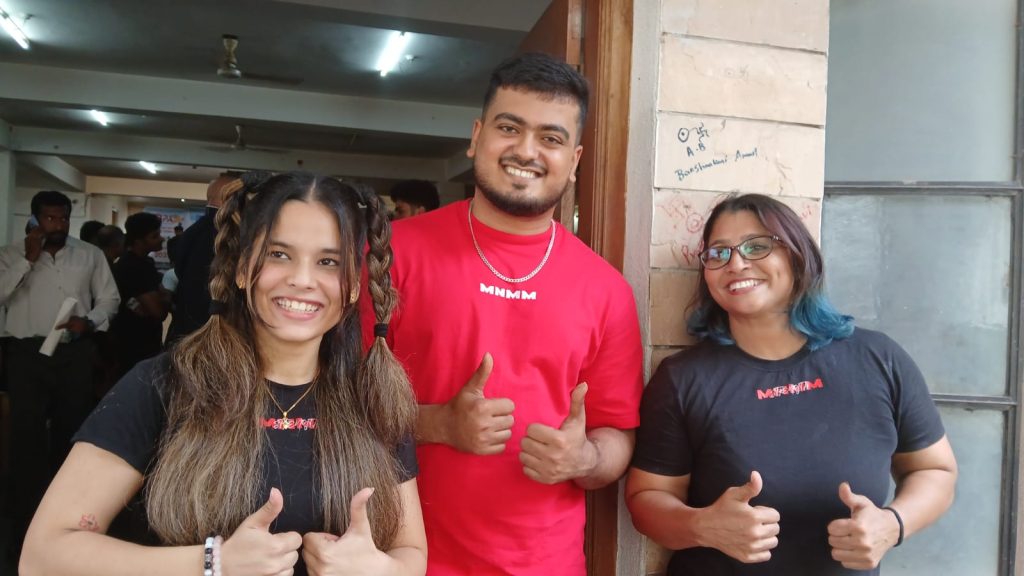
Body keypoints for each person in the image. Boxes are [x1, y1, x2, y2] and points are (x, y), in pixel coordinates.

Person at [20, 171, 427, 576]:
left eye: (328, 262)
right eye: (278, 254)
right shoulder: (166, 384)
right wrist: (213, 563)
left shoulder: (373, 394)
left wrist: (380, 570)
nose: (302, 280)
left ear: (352, 286)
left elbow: (410, 551)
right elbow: (42, 556)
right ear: (242, 268)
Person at [364, 52, 643, 575]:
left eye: (551, 138)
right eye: (509, 128)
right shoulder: (391, 255)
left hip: (546, 563)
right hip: (401, 560)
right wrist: (437, 424)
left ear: (575, 160)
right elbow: (333, 402)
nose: (526, 151)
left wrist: (583, 458)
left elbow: (616, 433)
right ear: (477, 136)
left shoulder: (607, 290)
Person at [625, 194, 958, 576]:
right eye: (719, 253)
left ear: (798, 256)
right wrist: (702, 526)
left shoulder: (878, 359)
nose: (736, 263)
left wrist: (893, 524)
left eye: (756, 246)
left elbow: (936, 470)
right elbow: (647, 498)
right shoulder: (684, 379)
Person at [0, 191, 120, 558]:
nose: (58, 225)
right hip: (25, 352)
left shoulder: (89, 254)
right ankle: (22, 523)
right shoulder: (10, 255)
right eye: (50, 218)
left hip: (73, 351)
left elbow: (110, 299)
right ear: (35, 220)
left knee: (73, 431)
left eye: (63, 218)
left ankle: (68, 517)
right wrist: (28, 259)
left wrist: (90, 322)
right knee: (26, 435)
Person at [164, 174, 234, 345]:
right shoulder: (223, 235)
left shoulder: (194, 231)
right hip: (206, 331)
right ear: (230, 197)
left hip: (187, 326)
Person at [110, 212, 169, 378]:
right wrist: (166, 298)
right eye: (154, 236)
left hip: (136, 342)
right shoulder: (136, 267)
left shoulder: (137, 263)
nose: (161, 239)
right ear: (138, 241)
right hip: (136, 344)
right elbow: (158, 312)